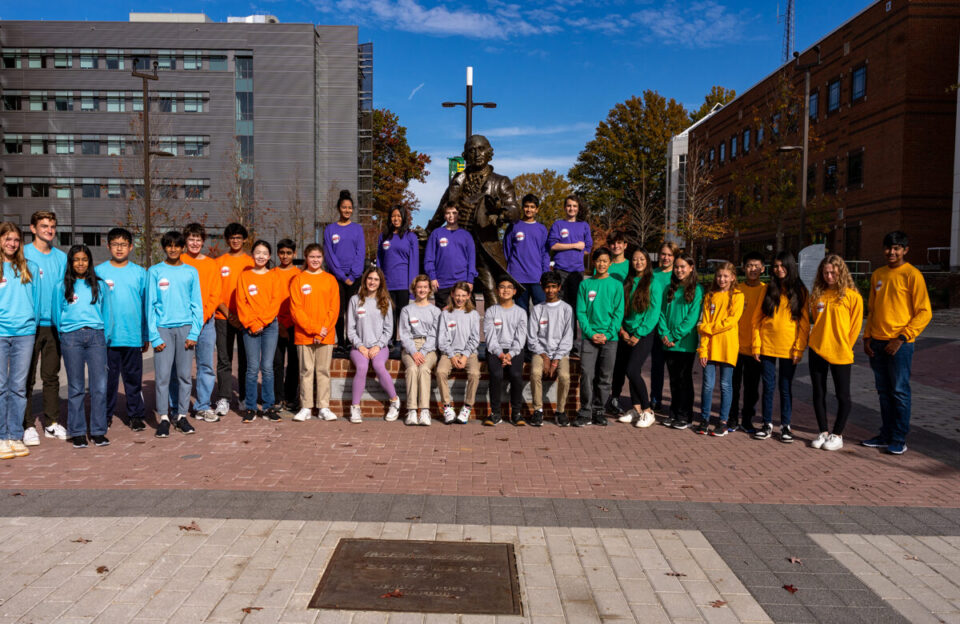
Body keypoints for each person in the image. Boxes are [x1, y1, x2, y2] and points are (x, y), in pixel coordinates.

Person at [862, 231, 932, 455]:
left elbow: (924, 312)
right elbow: (873, 310)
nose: (891, 252)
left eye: (896, 248)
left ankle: (899, 438)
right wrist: (867, 337)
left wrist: (902, 338)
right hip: (878, 342)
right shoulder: (878, 275)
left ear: (905, 250)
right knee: (883, 391)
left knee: (899, 391)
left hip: (900, 345)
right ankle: (885, 434)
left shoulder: (912, 275)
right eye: (888, 248)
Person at [54, 245, 110, 448]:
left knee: (99, 386)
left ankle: (98, 431)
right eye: (76, 259)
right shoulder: (62, 286)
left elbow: (107, 312)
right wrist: (64, 333)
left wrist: (106, 335)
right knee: (76, 386)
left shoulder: (99, 286)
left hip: (96, 337)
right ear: (71, 262)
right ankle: (77, 431)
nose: (80, 263)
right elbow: (56, 313)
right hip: (71, 338)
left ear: (90, 262)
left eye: (84, 259)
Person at [148, 231, 203, 438]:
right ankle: (163, 417)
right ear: (164, 248)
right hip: (163, 329)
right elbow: (150, 305)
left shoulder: (191, 272)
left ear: (182, 248)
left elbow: (196, 304)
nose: (173, 249)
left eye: (176, 245)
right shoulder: (154, 271)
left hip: (185, 329)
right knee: (162, 377)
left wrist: (194, 333)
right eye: (169, 245)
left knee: (184, 376)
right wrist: (154, 335)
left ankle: (181, 416)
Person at [751, 251, 809, 443]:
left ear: (790, 267)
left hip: (788, 348)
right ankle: (767, 424)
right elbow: (756, 320)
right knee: (768, 387)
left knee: (785, 388)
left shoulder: (800, 291)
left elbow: (804, 324)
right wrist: (756, 345)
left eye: (782, 266)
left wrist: (799, 349)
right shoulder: (767, 289)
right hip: (767, 346)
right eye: (775, 266)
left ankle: (785, 425)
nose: (779, 269)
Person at [808, 254, 863, 451]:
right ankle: (823, 431)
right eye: (825, 272)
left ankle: (837, 434)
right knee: (818, 393)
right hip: (817, 350)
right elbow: (817, 321)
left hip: (841, 352)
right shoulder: (817, 295)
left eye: (833, 272)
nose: (829, 276)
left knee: (843, 395)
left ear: (841, 272)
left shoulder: (852, 296)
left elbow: (855, 327)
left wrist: (844, 346)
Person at [22, 210, 68, 446]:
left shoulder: (61, 258)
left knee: (51, 376)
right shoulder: (22, 254)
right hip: (29, 325)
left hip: (54, 326)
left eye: (52, 226)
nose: (49, 230)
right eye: (43, 226)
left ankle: (51, 422)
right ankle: (27, 424)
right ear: (33, 228)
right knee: (26, 377)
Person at [95, 228, 148, 431]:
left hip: (133, 336)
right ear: (108, 246)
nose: (119, 248)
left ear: (131, 247)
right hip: (107, 339)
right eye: (115, 244)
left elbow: (145, 306)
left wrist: (145, 335)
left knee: (133, 380)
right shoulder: (99, 272)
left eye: (123, 244)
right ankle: (105, 415)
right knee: (107, 381)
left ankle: (135, 415)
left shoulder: (139, 273)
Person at [0, 222, 39, 460]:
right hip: (1, 333)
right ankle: (1, 436)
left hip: (25, 334)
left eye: (16, 239)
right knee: (0, 387)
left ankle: (15, 434)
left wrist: (32, 325)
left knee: (18, 387)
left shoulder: (29, 267)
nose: (12, 244)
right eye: (7, 239)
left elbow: (37, 299)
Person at [176, 223, 222, 422]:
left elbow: (215, 294)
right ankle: (178, 405)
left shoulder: (211, 265)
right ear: (185, 241)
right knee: (181, 367)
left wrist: (202, 317)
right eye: (191, 239)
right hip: (183, 322)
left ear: (203, 241)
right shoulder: (178, 261)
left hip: (206, 322)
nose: (194, 243)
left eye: (198, 239)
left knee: (205, 365)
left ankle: (202, 405)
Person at [290, 244, 340, 422]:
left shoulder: (330, 280)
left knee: (323, 371)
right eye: (312, 257)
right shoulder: (298, 280)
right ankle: (306, 407)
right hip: (304, 335)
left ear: (323, 258)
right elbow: (296, 310)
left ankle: (323, 407)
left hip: (325, 335)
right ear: (306, 257)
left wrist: (322, 330)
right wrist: (314, 329)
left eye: (318, 257)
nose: (315, 260)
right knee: (305, 371)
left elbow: (334, 309)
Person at [575, 247, 624, 427]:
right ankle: (585, 411)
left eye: (605, 261)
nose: (601, 264)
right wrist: (591, 333)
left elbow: (618, 313)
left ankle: (598, 410)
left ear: (610, 263)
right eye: (598, 260)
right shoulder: (585, 285)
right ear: (593, 262)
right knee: (587, 374)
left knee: (605, 376)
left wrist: (608, 334)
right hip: (589, 338)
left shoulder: (616, 285)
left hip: (610, 339)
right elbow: (581, 312)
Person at [695, 262, 744, 437]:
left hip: (728, 347)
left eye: (725, 276)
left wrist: (707, 328)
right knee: (707, 385)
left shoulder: (738, 296)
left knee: (725, 385)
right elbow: (705, 321)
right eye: (719, 276)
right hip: (710, 348)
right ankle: (705, 418)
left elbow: (731, 321)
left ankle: (723, 421)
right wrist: (703, 349)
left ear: (732, 277)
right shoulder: (710, 296)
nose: (721, 279)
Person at [236, 240, 282, 422]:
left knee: (268, 367)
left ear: (269, 256)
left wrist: (262, 321)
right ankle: (250, 407)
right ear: (252, 255)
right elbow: (241, 302)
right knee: (252, 368)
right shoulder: (244, 276)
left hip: (270, 326)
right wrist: (253, 323)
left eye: (265, 253)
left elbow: (275, 302)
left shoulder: (274, 276)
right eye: (258, 252)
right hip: (250, 327)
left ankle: (269, 406)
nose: (261, 256)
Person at [347, 267, 401, 423]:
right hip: (359, 347)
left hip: (380, 347)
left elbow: (389, 329)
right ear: (365, 280)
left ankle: (394, 401)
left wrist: (378, 346)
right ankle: (355, 407)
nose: (372, 282)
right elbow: (350, 330)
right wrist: (360, 346)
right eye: (370, 278)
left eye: (376, 279)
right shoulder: (354, 300)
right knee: (362, 367)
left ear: (380, 282)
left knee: (378, 365)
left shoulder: (385, 301)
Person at [616, 249, 661, 429]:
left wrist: (638, 333)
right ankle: (635, 409)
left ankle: (648, 410)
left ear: (647, 262)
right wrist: (622, 331)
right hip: (626, 332)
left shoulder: (653, 283)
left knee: (632, 370)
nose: (638, 262)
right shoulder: (627, 282)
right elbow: (620, 307)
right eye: (634, 259)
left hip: (643, 333)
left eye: (642, 259)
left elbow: (653, 313)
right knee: (628, 371)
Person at [659, 253, 703, 430]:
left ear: (691, 268)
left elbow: (692, 319)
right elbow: (661, 313)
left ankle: (685, 415)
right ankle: (674, 412)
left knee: (684, 379)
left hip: (685, 344)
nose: (679, 270)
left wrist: (674, 335)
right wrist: (664, 334)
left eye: (683, 266)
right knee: (674, 380)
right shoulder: (669, 288)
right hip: (668, 342)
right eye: (676, 267)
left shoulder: (697, 290)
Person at [215, 223, 253, 415]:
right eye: (232, 237)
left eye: (239, 237)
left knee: (246, 360)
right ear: (227, 240)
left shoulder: (251, 262)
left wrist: (243, 315)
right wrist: (229, 314)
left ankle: (245, 396)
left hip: (246, 318)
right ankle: (224, 397)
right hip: (223, 317)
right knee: (224, 359)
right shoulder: (219, 262)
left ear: (245, 239)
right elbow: (214, 292)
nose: (235, 240)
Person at [528, 271, 574, 427]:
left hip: (561, 354)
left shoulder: (566, 309)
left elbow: (568, 338)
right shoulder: (537, 309)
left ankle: (560, 411)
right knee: (535, 373)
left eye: (554, 287)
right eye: (547, 287)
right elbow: (532, 338)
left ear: (559, 287)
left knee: (565, 376)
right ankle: (538, 410)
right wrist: (545, 357)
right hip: (540, 352)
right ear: (542, 287)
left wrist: (554, 361)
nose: (550, 290)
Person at [324, 190, 365, 352]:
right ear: (339, 208)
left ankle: (351, 340)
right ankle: (341, 341)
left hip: (354, 277)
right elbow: (329, 255)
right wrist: (342, 275)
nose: (347, 210)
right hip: (336, 277)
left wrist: (353, 275)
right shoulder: (330, 229)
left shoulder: (357, 229)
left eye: (350, 208)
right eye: (344, 207)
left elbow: (360, 252)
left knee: (353, 311)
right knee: (339, 311)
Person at [483, 277, 528, 426]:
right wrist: (501, 354)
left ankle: (516, 413)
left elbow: (520, 338)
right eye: (502, 287)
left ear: (514, 291)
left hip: (514, 350)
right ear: (497, 290)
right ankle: (495, 413)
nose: (505, 290)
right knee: (496, 374)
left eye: (509, 287)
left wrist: (511, 354)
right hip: (495, 350)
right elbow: (490, 338)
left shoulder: (521, 312)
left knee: (516, 375)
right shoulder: (491, 311)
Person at [435, 281, 481, 424]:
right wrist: (451, 356)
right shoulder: (445, 314)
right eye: (457, 295)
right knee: (441, 372)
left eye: (463, 295)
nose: (460, 299)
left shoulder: (473, 314)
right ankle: (447, 407)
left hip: (469, 353)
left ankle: (467, 407)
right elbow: (441, 339)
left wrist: (465, 355)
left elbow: (475, 338)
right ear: (452, 295)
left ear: (468, 296)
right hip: (449, 353)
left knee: (474, 373)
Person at [730, 252, 766, 434]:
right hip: (734, 345)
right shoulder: (736, 289)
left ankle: (747, 419)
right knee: (732, 385)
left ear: (763, 269)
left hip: (755, 348)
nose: (753, 269)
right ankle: (732, 417)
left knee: (752, 387)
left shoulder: (766, 290)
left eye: (756, 266)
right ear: (744, 268)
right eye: (750, 266)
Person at [548, 195, 592, 342]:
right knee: (558, 305)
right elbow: (553, 245)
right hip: (560, 270)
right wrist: (573, 246)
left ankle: (570, 342)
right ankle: (556, 339)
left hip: (577, 272)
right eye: (569, 206)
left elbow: (587, 248)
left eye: (574, 206)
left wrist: (578, 251)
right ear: (564, 207)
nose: (571, 208)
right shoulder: (558, 224)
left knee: (573, 307)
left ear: (578, 209)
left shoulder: (584, 225)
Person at [398, 275, 441, 426]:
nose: (422, 290)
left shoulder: (435, 311)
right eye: (419, 287)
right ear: (414, 289)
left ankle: (424, 410)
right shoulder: (406, 310)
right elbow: (404, 333)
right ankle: (411, 410)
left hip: (429, 347)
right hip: (410, 347)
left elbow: (434, 335)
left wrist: (422, 352)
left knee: (423, 369)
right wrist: (413, 351)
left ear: (429, 289)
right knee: (411, 369)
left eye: (425, 287)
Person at [377, 207, 419, 340]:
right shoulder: (383, 236)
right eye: (393, 216)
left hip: (403, 285)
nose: (396, 219)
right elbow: (379, 260)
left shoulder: (410, 237)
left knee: (403, 317)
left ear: (404, 218)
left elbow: (414, 262)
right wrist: (379, 282)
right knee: (388, 316)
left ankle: (404, 344)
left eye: (399, 216)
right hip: (387, 285)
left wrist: (412, 286)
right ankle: (389, 342)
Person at [425, 202, 477, 309]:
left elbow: (472, 260)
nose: (451, 216)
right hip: (442, 284)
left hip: (462, 284)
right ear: (444, 215)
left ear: (459, 215)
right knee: (444, 321)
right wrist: (432, 277)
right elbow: (429, 259)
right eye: (448, 213)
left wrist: (470, 280)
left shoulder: (466, 235)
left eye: (454, 213)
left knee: (465, 319)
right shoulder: (436, 233)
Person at [503, 194, 550, 311]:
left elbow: (545, 253)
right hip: (518, 277)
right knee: (521, 312)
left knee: (541, 311)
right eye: (526, 206)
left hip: (537, 277)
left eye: (532, 207)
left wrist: (545, 274)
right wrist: (510, 272)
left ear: (537, 209)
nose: (529, 209)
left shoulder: (541, 229)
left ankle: (538, 331)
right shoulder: (513, 226)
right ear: (522, 207)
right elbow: (506, 250)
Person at [648, 242, 678, 413]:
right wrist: (661, 329)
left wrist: (669, 332)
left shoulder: (678, 274)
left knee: (674, 370)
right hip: (656, 328)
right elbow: (653, 305)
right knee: (656, 367)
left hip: (672, 331)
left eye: (669, 255)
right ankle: (655, 398)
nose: (666, 258)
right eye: (663, 254)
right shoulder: (653, 275)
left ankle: (675, 403)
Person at [272, 239, 301, 411]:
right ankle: (277, 397)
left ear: (294, 254)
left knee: (293, 363)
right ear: (278, 254)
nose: (285, 256)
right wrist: (279, 324)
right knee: (276, 363)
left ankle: (290, 397)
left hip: (295, 324)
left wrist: (291, 323)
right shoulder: (272, 273)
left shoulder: (299, 275)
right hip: (275, 324)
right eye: (282, 253)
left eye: (288, 253)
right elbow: (269, 300)